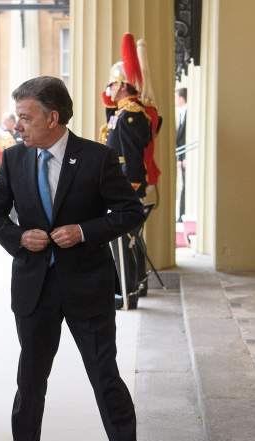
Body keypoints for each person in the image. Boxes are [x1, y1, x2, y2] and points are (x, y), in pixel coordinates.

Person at [0, 76, 146, 441]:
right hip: (34, 290)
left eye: (25, 117)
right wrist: (18, 238)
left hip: (87, 288)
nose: (19, 126)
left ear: (53, 118)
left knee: (105, 379)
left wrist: (85, 232)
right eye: (18, 117)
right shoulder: (14, 159)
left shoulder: (97, 157)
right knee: (31, 379)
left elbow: (128, 212)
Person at [99, 33, 152, 310]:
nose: (109, 90)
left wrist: (129, 186)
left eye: (112, 85)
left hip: (128, 186)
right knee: (131, 239)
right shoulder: (125, 112)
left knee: (123, 240)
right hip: (125, 185)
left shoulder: (130, 114)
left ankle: (127, 293)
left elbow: (131, 155)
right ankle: (137, 284)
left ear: (121, 85)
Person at [175, 88, 187, 222]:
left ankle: (182, 215)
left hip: (186, 158)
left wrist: (186, 158)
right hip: (181, 157)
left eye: (176, 97)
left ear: (182, 98)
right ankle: (181, 215)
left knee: (185, 187)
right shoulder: (181, 113)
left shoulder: (190, 113)